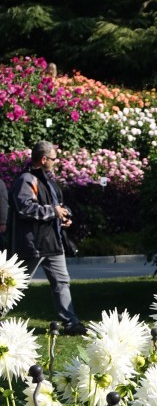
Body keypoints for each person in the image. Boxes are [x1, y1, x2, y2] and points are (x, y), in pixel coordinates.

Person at [8, 141, 86, 334]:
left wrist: (64, 215)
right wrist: (53, 211)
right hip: (33, 243)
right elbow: (25, 207)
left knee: (62, 282)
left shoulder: (47, 179)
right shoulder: (27, 179)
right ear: (43, 159)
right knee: (15, 284)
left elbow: (57, 204)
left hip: (53, 241)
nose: (55, 162)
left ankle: (71, 323)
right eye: (52, 159)